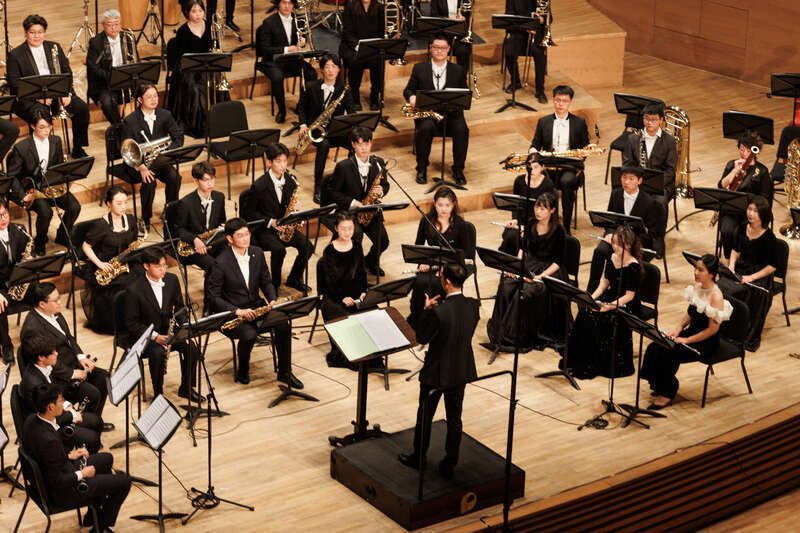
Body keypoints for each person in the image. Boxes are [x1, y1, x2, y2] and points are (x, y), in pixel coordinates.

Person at [398, 263, 479, 480]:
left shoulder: (439, 312)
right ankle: (450, 463)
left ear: (447, 282)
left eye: (441, 276)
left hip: (437, 371)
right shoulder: (473, 305)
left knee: (425, 415)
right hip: (460, 368)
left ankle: (418, 458)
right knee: (455, 418)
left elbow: (421, 337)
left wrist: (426, 311)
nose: (439, 278)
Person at [206, 218, 302, 387]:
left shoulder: (257, 253)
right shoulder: (220, 262)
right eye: (240, 235)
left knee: (283, 325)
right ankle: (243, 369)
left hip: (256, 306)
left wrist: (272, 299)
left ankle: (285, 372)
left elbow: (266, 281)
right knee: (249, 335)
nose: (245, 238)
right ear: (229, 239)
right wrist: (237, 311)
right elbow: (213, 297)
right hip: (233, 313)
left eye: (247, 234)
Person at [23, 383, 130, 531]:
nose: (63, 404)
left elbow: (45, 459)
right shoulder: (49, 440)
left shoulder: (31, 420)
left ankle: (93, 516)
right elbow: (59, 481)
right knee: (125, 481)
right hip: (63, 491)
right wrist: (82, 474)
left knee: (106, 459)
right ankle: (99, 527)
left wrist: (70, 455)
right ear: (51, 407)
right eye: (60, 401)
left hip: (55, 473)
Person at [640, 254, 732, 410]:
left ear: (711, 274)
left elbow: (712, 330)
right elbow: (690, 312)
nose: (696, 272)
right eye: (696, 268)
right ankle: (659, 384)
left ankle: (668, 392)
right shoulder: (698, 286)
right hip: (691, 333)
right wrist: (678, 329)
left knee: (668, 353)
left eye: (700, 270)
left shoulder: (716, 296)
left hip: (705, 343)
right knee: (655, 346)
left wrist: (686, 340)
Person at [21, 283, 112, 423]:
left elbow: (68, 338)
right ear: (42, 304)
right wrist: (71, 373)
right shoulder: (32, 328)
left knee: (104, 378)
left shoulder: (54, 312)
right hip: (56, 376)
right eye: (55, 300)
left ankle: (93, 421)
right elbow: (43, 362)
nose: (60, 302)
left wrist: (81, 357)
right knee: (92, 394)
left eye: (59, 297)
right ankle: (82, 424)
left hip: (71, 363)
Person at [487, 191, 565, 349]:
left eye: (543, 208)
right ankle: (498, 331)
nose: (538, 211)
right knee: (506, 284)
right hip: (530, 264)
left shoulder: (559, 231)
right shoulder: (530, 223)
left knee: (525, 292)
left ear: (552, 210)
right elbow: (523, 249)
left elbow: (558, 262)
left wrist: (541, 277)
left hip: (549, 271)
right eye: (537, 207)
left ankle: (514, 337)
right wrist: (516, 267)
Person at [5, 15, 91, 159]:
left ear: (44, 32)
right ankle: (46, 156)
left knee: (82, 108)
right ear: (26, 33)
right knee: (41, 114)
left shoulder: (54, 47)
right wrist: (38, 98)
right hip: (30, 100)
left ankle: (78, 147)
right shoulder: (15, 55)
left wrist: (67, 92)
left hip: (58, 94)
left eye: (40, 32)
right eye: (32, 32)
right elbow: (14, 84)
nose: (36, 36)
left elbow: (67, 72)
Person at [124, 248, 202, 401]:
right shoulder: (134, 289)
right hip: (145, 335)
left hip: (168, 330)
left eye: (164, 265)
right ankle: (158, 394)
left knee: (192, 347)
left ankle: (186, 388)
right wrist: (155, 337)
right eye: (158, 266)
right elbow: (131, 323)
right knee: (157, 353)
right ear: (146, 266)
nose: (163, 269)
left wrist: (187, 331)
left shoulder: (172, 280)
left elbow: (180, 309)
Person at [568, 226, 641, 380]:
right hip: (612, 296)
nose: (614, 246)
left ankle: (596, 363)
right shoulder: (612, 257)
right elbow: (604, 283)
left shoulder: (633, 266)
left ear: (628, 245)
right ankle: (579, 360)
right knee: (585, 312)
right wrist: (591, 298)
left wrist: (609, 306)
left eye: (618, 244)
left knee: (600, 318)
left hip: (626, 304)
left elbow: (629, 296)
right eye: (613, 243)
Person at [6, 111, 81, 257]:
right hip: (33, 189)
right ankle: (40, 240)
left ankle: (62, 234)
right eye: (42, 127)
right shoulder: (21, 147)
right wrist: (22, 196)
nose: (47, 131)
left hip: (51, 186)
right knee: (46, 212)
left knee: (74, 207)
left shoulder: (56, 141)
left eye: (49, 127)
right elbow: (12, 176)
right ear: (33, 126)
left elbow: (58, 166)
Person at [403, 35, 470, 185]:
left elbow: (464, 92)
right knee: (425, 128)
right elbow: (408, 90)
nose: (439, 51)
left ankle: (458, 169)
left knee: (462, 130)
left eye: (443, 48)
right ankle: (421, 168)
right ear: (430, 48)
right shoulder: (420, 68)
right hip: (428, 115)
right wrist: (412, 97)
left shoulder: (458, 70)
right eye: (436, 47)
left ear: (448, 49)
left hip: (452, 114)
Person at [586, 166, 664, 293]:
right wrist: (610, 235)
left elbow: (651, 233)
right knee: (600, 251)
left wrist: (627, 241)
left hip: (636, 243)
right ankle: (591, 291)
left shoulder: (650, 203)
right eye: (624, 178)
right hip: (615, 239)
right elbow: (610, 222)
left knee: (630, 261)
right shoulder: (616, 195)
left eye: (631, 179)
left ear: (639, 181)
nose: (626, 182)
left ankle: (625, 292)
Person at [247, 142, 313, 292]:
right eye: (278, 161)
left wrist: (295, 207)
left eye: (285, 161)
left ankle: (294, 278)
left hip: (285, 225)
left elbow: (288, 204)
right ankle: (274, 285)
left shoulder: (290, 181)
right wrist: (271, 222)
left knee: (308, 246)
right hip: (265, 229)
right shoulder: (259, 185)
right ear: (269, 162)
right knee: (279, 250)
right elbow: (249, 214)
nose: (283, 165)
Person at [325, 127, 390, 276]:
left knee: (383, 241)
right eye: (360, 144)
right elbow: (332, 192)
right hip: (349, 213)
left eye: (366, 144)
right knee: (357, 237)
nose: (363, 148)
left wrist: (381, 190)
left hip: (370, 212)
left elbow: (385, 184)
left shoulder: (378, 163)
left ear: (371, 143)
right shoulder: (343, 166)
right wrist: (353, 202)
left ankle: (371, 262)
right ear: (353, 145)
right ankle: (354, 269)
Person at [20, 338, 103, 453]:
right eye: (53, 352)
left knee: (97, 421)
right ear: (41, 357)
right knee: (92, 438)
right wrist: (72, 415)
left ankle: (87, 452)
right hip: (48, 427)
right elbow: (47, 415)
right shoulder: (35, 385)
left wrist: (67, 405)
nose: (57, 354)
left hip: (55, 412)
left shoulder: (43, 367)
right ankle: (81, 458)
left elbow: (55, 396)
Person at [407, 187, 474, 330]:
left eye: (447, 205)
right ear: (434, 204)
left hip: (454, 265)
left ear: (453, 205)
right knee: (419, 281)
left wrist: (445, 269)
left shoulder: (460, 225)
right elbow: (418, 245)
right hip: (432, 263)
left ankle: (438, 320)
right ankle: (418, 318)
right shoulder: (426, 220)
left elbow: (466, 254)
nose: (444, 209)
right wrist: (422, 263)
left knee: (438, 283)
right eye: (440, 205)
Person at [528, 85, 590, 233]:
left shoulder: (579, 122)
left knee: (567, 182)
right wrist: (533, 153)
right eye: (558, 100)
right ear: (553, 100)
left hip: (570, 166)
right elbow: (534, 145)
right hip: (548, 165)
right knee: (541, 180)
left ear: (570, 102)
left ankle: (566, 227)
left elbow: (586, 146)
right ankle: (547, 222)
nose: (560, 104)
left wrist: (583, 154)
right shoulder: (543, 122)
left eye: (564, 101)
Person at [718, 196, 777, 352]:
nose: (750, 213)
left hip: (759, 275)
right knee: (720, 285)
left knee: (738, 291)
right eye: (749, 209)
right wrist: (731, 266)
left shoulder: (769, 238)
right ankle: (718, 326)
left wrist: (751, 277)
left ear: (763, 215)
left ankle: (736, 332)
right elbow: (735, 250)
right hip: (741, 268)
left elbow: (772, 266)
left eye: (755, 211)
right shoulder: (742, 227)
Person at [121, 83, 184, 230]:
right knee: (149, 182)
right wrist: (141, 167)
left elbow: (178, 137)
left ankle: (170, 212)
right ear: (140, 100)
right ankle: (146, 218)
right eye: (149, 97)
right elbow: (126, 149)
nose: (154, 99)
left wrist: (166, 153)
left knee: (175, 178)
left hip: (160, 160)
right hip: (137, 164)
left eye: (155, 96)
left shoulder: (165, 115)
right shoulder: (130, 121)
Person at [81, 186, 142, 334]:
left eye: (125, 202)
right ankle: (121, 324)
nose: (123, 207)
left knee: (142, 278)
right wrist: (100, 264)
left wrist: (134, 244)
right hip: (106, 264)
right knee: (124, 286)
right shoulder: (101, 225)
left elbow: (133, 240)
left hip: (125, 260)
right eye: (119, 203)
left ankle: (136, 320)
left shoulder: (130, 219)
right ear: (109, 204)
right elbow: (86, 246)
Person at [296, 53, 355, 202]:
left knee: (356, 142)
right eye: (327, 67)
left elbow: (352, 113)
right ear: (322, 69)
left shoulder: (345, 89)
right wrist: (303, 125)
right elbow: (301, 107)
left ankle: (349, 181)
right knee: (324, 145)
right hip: (316, 130)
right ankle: (318, 186)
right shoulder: (311, 86)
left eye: (334, 67)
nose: (330, 70)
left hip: (336, 131)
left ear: (339, 69)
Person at [317, 212, 368, 368]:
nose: (347, 232)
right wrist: (342, 298)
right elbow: (330, 282)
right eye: (343, 229)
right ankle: (351, 354)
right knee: (344, 316)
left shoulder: (357, 246)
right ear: (336, 229)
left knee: (373, 312)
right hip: (334, 296)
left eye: (350, 228)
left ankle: (369, 352)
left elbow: (362, 273)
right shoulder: (329, 251)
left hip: (356, 293)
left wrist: (363, 292)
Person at [256, 0, 318, 124]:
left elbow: (301, 40)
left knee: (311, 73)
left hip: (291, 60)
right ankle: (282, 110)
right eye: (284, 2)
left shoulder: (298, 20)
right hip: (272, 61)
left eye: (290, 3)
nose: (287, 6)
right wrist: (286, 49)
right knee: (277, 77)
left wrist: (302, 42)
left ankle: (301, 105)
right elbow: (265, 49)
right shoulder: (268, 22)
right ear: (278, 4)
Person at [167, 0, 221, 137]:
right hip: (187, 68)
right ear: (187, 13)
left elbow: (213, 46)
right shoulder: (183, 31)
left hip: (207, 64)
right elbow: (180, 56)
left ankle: (217, 121)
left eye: (200, 11)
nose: (198, 14)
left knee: (216, 84)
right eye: (194, 11)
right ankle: (200, 126)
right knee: (196, 90)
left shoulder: (209, 26)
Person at [716, 132, 772, 259]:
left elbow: (765, 198)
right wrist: (735, 171)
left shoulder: (762, 171)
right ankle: (729, 257)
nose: (744, 153)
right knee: (727, 230)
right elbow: (721, 186)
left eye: (748, 150)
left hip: (752, 212)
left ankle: (744, 260)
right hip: (732, 210)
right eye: (742, 149)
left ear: (754, 152)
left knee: (741, 232)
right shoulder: (731, 164)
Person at [621, 102, 678, 209]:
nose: (649, 122)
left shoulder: (669, 141)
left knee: (660, 202)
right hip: (637, 183)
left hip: (661, 185)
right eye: (646, 118)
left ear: (661, 120)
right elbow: (627, 164)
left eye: (654, 119)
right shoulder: (633, 139)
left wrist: (655, 183)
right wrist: (636, 181)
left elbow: (671, 169)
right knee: (621, 197)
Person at [174, 161, 227, 273]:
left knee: (231, 260)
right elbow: (180, 230)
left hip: (214, 243)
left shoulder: (219, 197)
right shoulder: (186, 203)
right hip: (195, 246)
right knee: (214, 267)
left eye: (212, 179)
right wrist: (194, 239)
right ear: (196, 181)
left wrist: (224, 227)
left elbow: (222, 221)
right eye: (206, 180)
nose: (210, 183)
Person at [499, 153, 556, 255]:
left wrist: (530, 229)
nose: (532, 170)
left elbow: (547, 212)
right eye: (529, 167)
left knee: (523, 239)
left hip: (539, 222)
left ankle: (520, 262)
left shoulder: (548, 184)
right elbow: (515, 205)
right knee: (510, 236)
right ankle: (509, 262)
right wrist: (515, 220)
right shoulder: (519, 181)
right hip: (521, 222)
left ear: (542, 167)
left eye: (535, 167)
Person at [86, 9, 135, 125]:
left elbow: (133, 60)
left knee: (147, 92)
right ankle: (118, 126)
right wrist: (113, 76)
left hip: (127, 78)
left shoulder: (127, 38)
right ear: (103, 25)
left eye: (116, 24)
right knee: (108, 102)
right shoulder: (96, 42)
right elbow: (94, 68)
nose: (113, 28)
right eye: (109, 25)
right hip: (105, 82)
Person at [339, 0, 384, 111]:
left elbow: (380, 32)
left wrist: (373, 46)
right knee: (356, 61)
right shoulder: (350, 7)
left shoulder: (379, 7)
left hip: (371, 46)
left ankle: (374, 96)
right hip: (352, 46)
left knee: (378, 61)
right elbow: (347, 32)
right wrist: (357, 46)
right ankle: (354, 97)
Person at [0, 201, 31, 363]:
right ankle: (6, 345)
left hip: (18, 280)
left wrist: (29, 261)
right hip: (0, 286)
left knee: (45, 292)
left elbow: (26, 254)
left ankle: (42, 338)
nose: (3, 219)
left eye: (5, 214)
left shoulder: (19, 230)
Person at [503, 0, 548, 103]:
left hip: (536, 31)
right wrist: (525, 27)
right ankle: (516, 82)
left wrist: (541, 20)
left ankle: (540, 90)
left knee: (539, 53)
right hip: (518, 31)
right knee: (509, 52)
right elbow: (509, 17)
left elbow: (549, 18)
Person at [429, 0, 472, 68]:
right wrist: (448, 19)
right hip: (442, 33)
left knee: (463, 51)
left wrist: (464, 18)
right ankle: (439, 72)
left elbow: (468, 13)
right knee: (439, 49)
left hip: (459, 33)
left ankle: (462, 74)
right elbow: (434, 15)